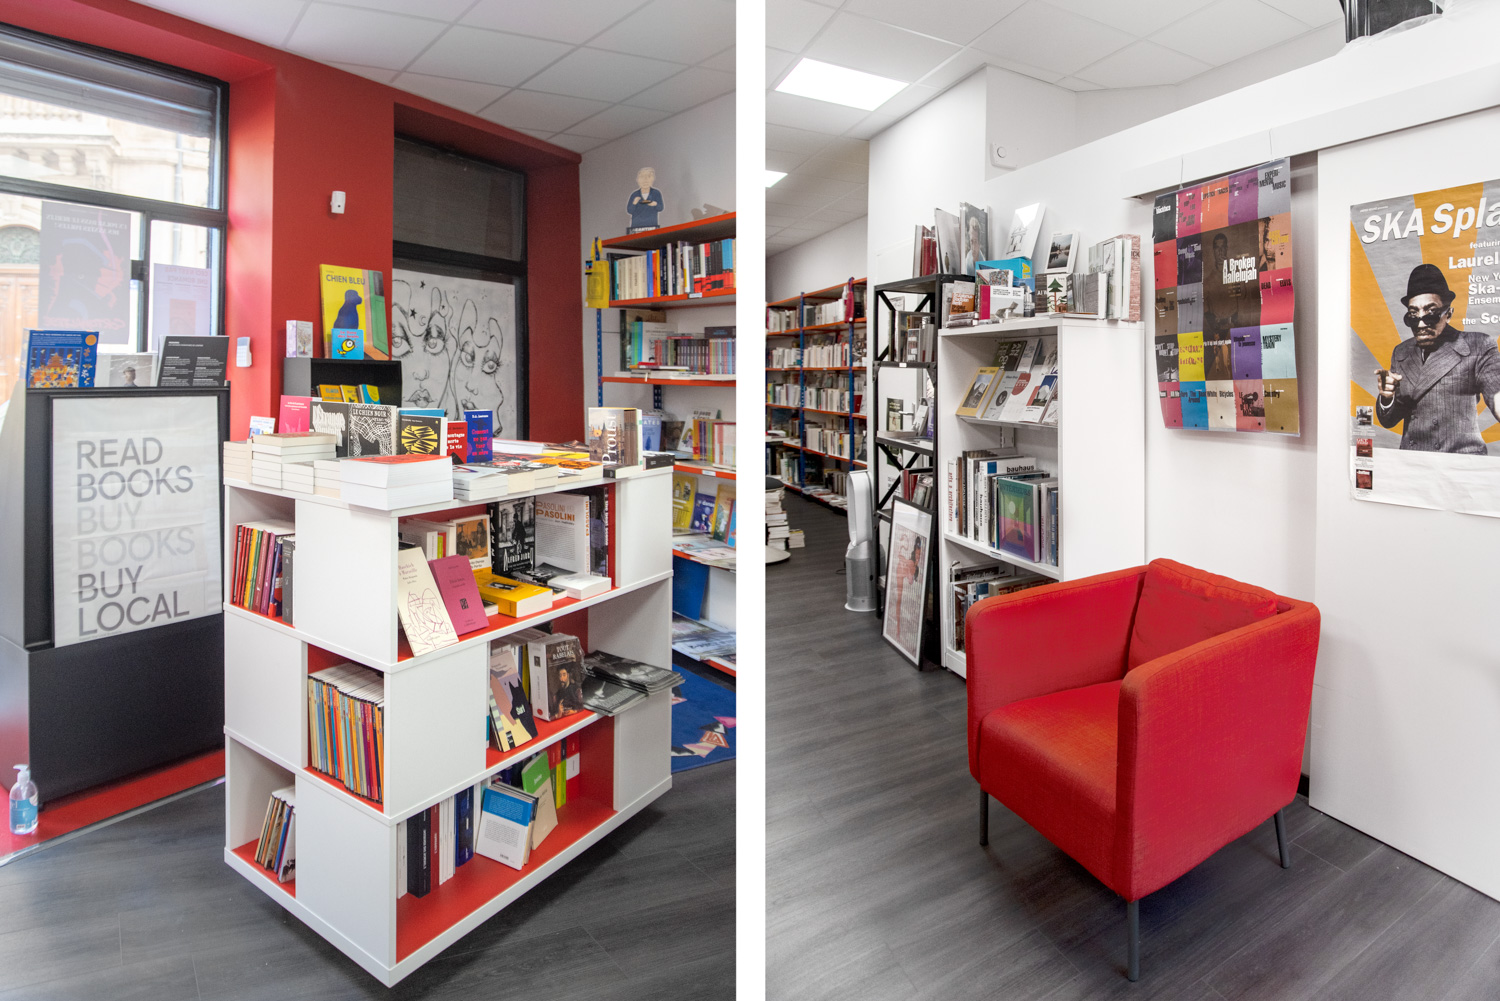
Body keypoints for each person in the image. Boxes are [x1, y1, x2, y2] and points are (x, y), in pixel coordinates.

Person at [1375, 263, 1500, 453]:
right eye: (1413, 316)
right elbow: (1389, 421)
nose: (1421, 324)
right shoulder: (1401, 352)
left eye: (1431, 314)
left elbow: (1496, 391)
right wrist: (1387, 397)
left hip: (1459, 460)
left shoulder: (1478, 345)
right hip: (1413, 461)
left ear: (1448, 314)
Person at [626, 167, 662, 232]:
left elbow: (661, 208)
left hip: (651, 226)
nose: (645, 180)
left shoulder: (656, 193)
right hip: (636, 227)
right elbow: (629, 210)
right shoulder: (634, 194)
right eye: (642, 177)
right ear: (637, 180)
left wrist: (655, 204)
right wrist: (634, 203)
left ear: (653, 179)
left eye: (649, 177)